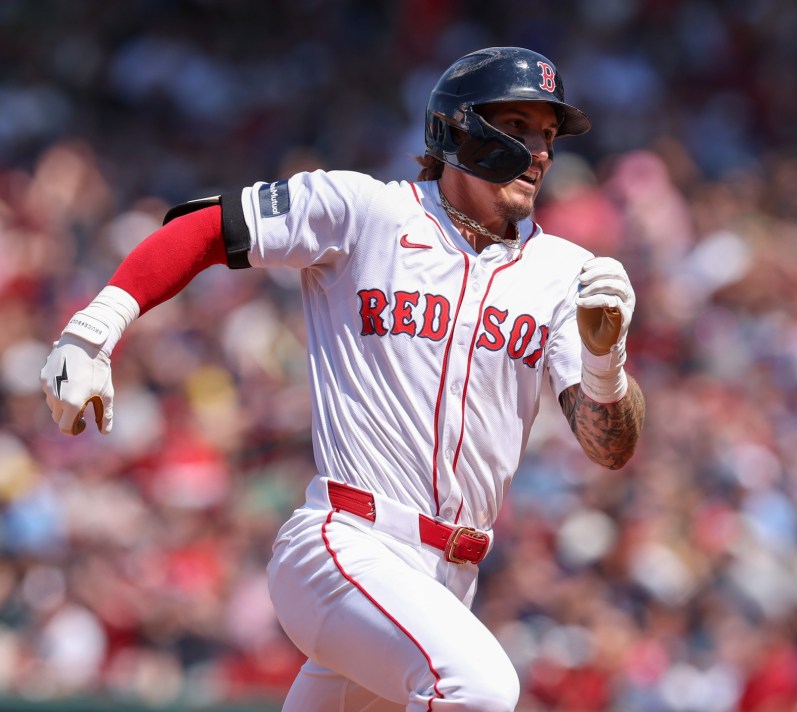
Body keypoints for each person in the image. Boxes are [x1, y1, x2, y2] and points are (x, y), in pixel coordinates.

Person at [39, 46, 645, 711]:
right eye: (520, 127)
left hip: (446, 582)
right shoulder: (370, 213)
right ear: (459, 129)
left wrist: (603, 362)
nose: (539, 152)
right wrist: (90, 331)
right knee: (480, 688)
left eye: (549, 136)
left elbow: (608, 447)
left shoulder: (565, 274)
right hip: (345, 543)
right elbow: (208, 227)